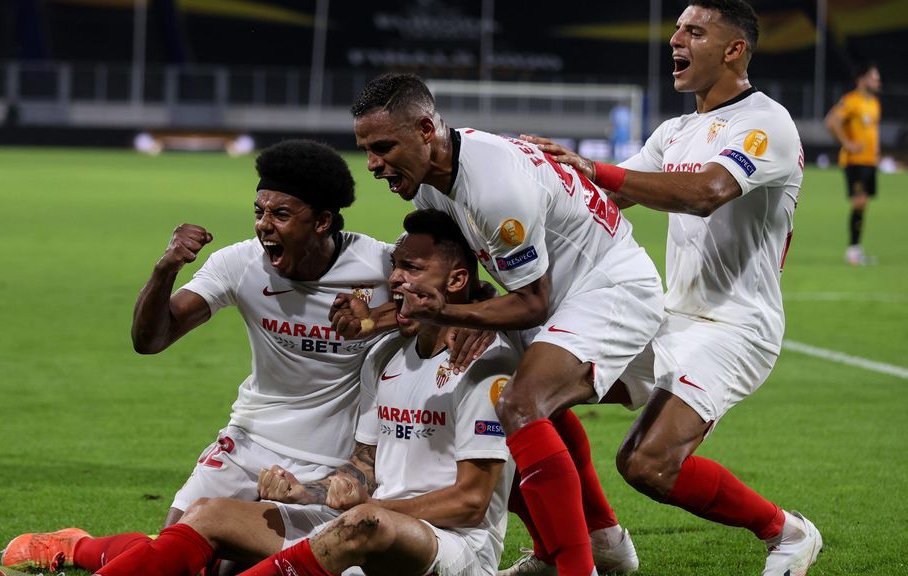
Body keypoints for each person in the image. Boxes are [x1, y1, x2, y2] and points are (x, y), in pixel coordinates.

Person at [0, 140, 395, 573]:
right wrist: (166, 268)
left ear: (322, 221)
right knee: (178, 558)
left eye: (281, 214)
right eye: (259, 211)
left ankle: (84, 547)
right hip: (248, 443)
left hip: (331, 465)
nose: (264, 226)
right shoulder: (241, 264)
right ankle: (76, 548)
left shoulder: (378, 266)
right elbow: (151, 339)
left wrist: (376, 320)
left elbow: (443, 303)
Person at [522, 1, 823, 575]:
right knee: (530, 395)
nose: (675, 40)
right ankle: (597, 541)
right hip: (666, 316)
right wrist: (533, 180)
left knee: (648, 465)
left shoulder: (765, 122)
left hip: (735, 327)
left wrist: (596, 169)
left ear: (734, 49)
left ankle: (787, 533)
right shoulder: (675, 130)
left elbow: (706, 192)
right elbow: (608, 197)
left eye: (694, 31)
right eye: (677, 29)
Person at [80, 208, 521, 576]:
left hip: (449, 546)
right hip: (363, 525)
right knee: (210, 513)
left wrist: (369, 504)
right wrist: (305, 492)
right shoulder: (384, 355)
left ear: (458, 281)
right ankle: (81, 551)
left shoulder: (485, 364)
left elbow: (470, 502)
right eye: (396, 267)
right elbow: (363, 464)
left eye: (412, 269)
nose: (396, 279)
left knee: (365, 524)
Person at [350, 72, 665, 576]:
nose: (373, 164)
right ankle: (600, 539)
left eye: (384, 146)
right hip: (550, 290)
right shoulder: (433, 187)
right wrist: (395, 313)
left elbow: (533, 303)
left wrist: (452, 314)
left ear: (426, 129)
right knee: (499, 400)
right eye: (365, 148)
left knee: (519, 404)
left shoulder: (494, 186)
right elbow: (458, 274)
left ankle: (576, 567)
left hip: (605, 291)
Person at [826, 62, 882, 265]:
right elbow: (832, 121)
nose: (878, 81)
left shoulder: (874, 103)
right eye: (874, 77)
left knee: (863, 204)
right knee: (859, 203)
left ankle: (856, 250)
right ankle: (853, 251)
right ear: (862, 79)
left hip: (869, 161)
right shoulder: (851, 101)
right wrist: (846, 143)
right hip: (855, 162)